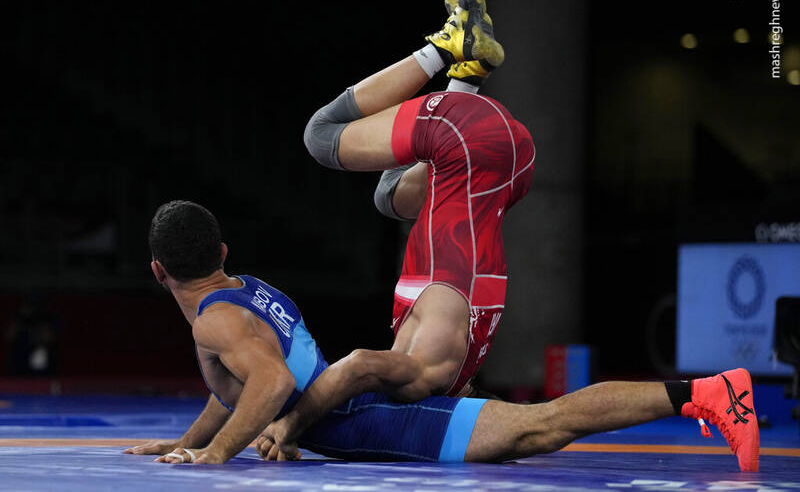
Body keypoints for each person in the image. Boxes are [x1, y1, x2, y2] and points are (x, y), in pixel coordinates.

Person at [124, 200, 758, 471]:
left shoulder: (213, 319)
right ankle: (702, 395)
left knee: (543, 425)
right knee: (542, 425)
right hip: (363, 406)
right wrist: (187, 440)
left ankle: (707, 394)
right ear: (223, 252)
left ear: (157, 271)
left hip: (374, 420)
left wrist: (216, 455)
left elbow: (270, 380)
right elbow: (240, 384)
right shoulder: (247, 290)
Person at [302, 0, 534, 400]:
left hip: (514, 163)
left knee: (389, 197)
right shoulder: (429, 369)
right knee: (321, 135)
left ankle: (470, 74)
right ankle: (445, 47)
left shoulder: (463, 353)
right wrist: (293, 424)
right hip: (467, 134)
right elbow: (360, 365)